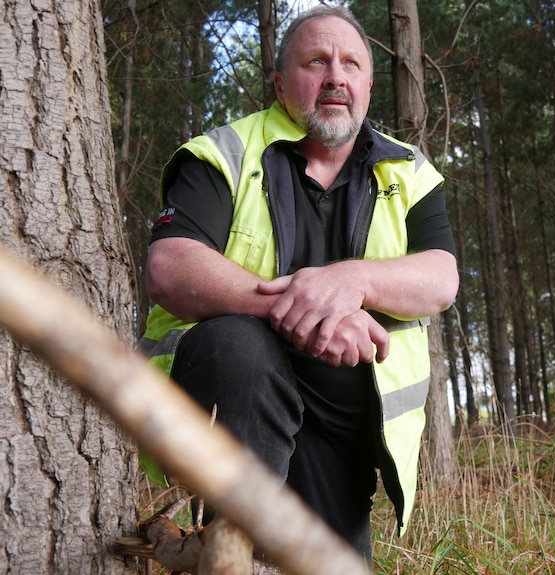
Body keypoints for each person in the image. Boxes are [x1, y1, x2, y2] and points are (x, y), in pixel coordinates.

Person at [138, 5, 458, 561]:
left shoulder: (409, 171)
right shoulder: (223, 153)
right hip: (236, 393)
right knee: (239, 346)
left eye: (351, 64)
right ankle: (239, 548)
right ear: (282, 83)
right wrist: (303, 308)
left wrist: (351, 280)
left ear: (368, 84)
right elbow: (171, 265)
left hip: (347, 416)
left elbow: (441, 277)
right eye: (317, 61)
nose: (336, 75)